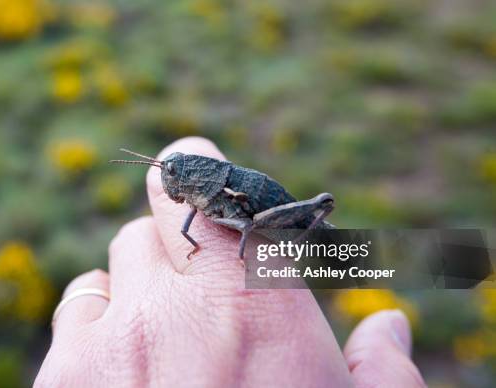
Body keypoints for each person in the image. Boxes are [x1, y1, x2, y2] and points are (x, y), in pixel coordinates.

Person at [35, 137, 426, 387]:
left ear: (193, 176)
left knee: (320, 217)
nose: (170, 182)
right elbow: (191, 222)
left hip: (279, 217)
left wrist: (247, 258)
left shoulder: (213, 191)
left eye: (174, 174)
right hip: (249, 207)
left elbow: (244, 226)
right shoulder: (199, 194)